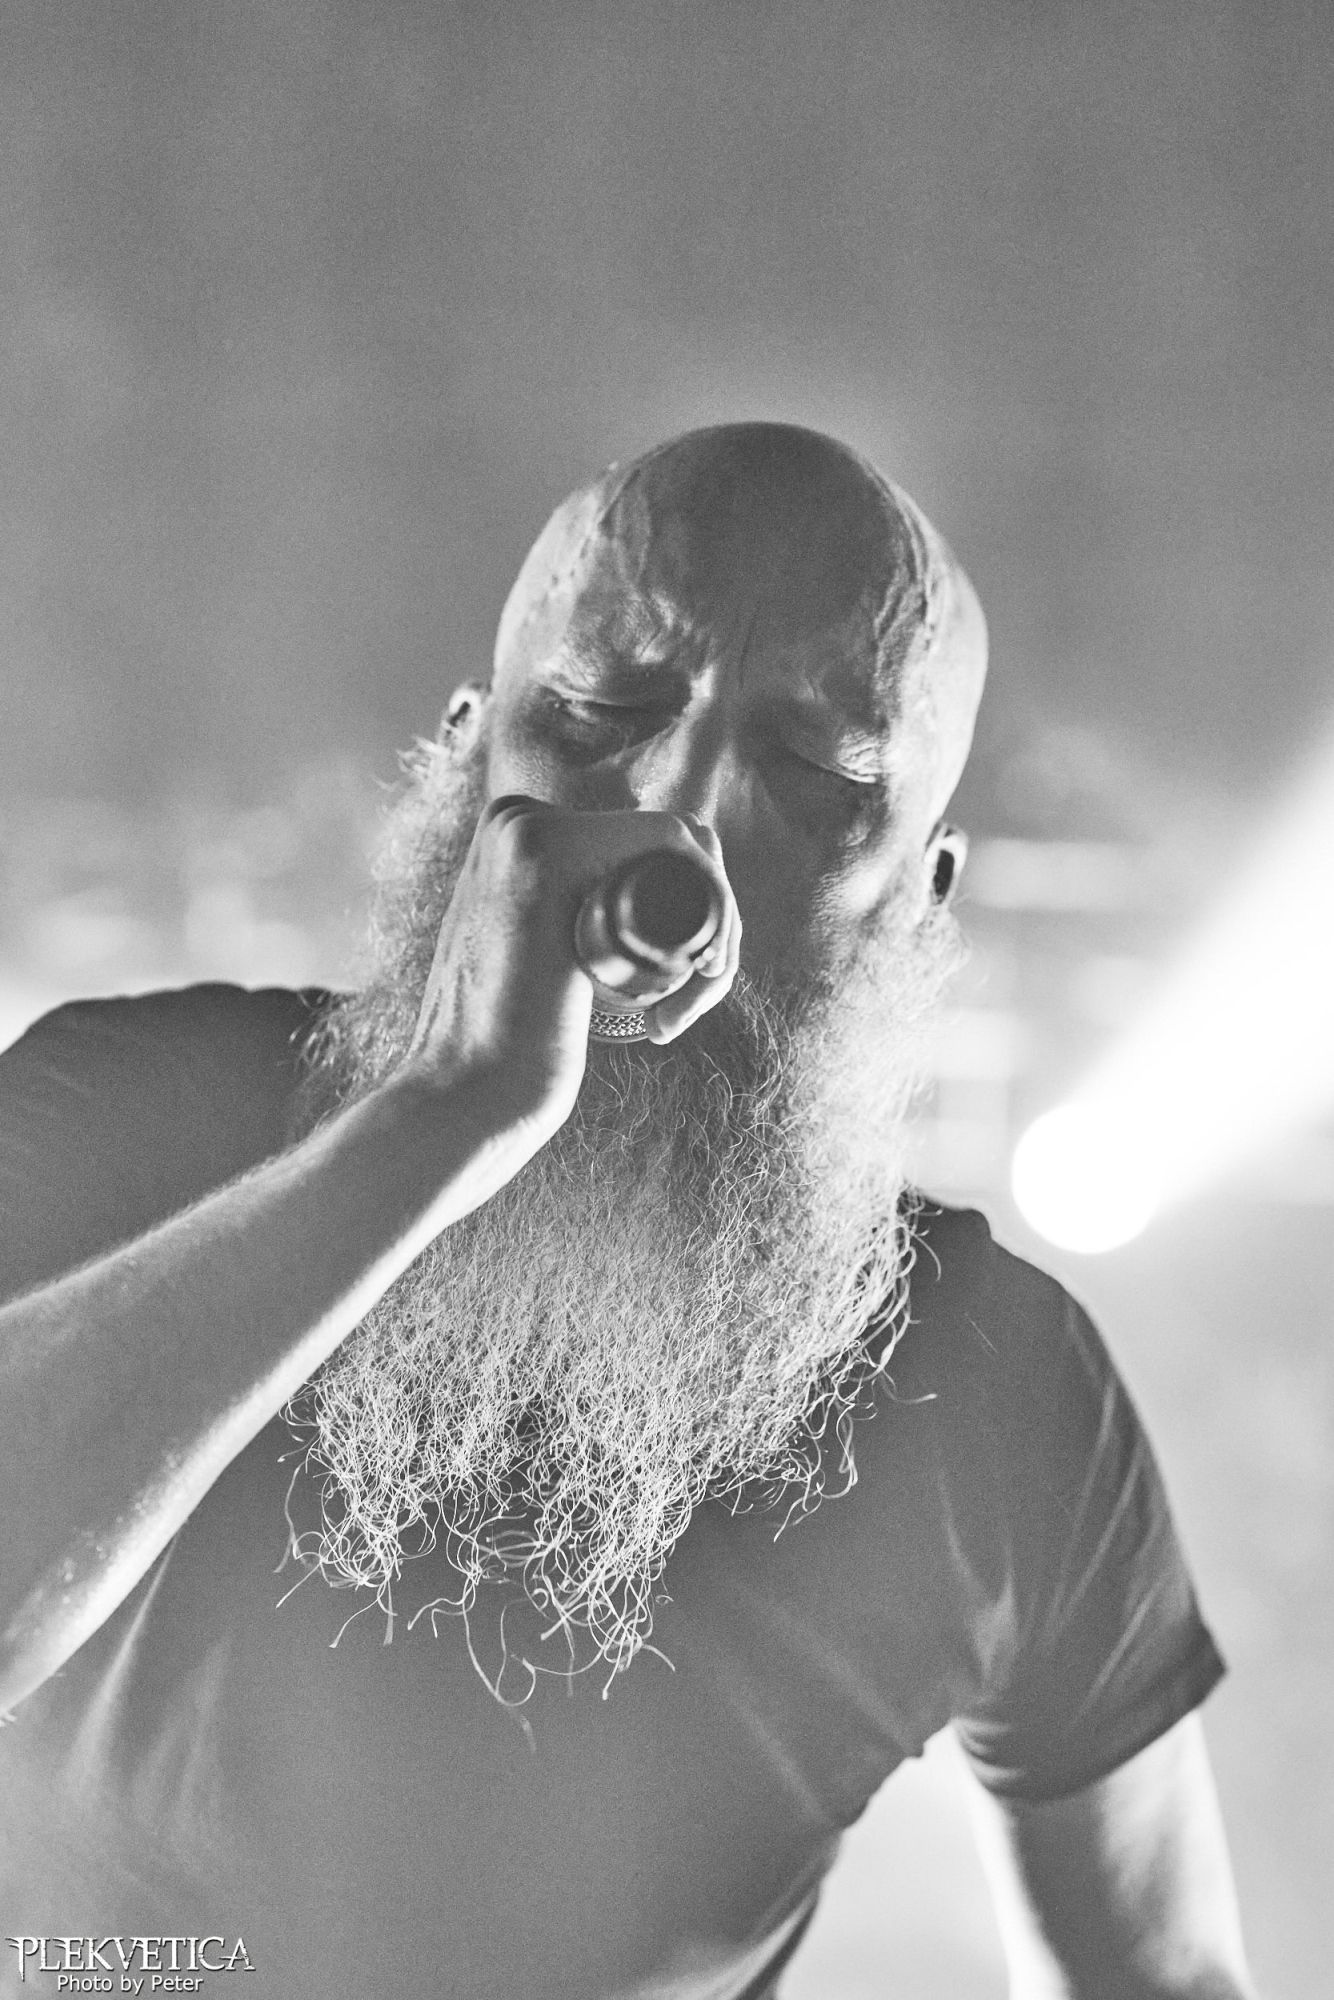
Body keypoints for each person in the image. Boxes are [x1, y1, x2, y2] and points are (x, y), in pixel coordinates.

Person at [0, 424, 1256, 2000]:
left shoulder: (995, 1386)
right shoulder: (125, 1108)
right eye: (596, 715)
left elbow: (1163, 1976)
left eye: (818, 779)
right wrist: (446, 1115)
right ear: (469, 758)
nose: (682, 816)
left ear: (919, 897)